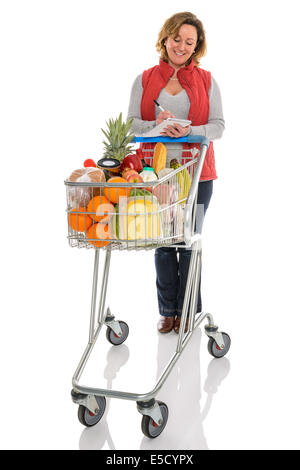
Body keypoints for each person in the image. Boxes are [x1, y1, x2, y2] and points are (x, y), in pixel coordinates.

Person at [127, 12, 225, 334]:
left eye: (189, 42)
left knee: (188, 242)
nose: (181, 46)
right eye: (177, 39)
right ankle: (168, 310)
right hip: (155, 177)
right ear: (166, 38)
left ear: (197, 47)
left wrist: (187, 129)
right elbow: (130, 125)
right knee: (163, 244)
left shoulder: (207, 81)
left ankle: (188, 310)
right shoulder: (144, 80)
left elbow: (218, 127)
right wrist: (157, 125)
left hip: (198, 177)